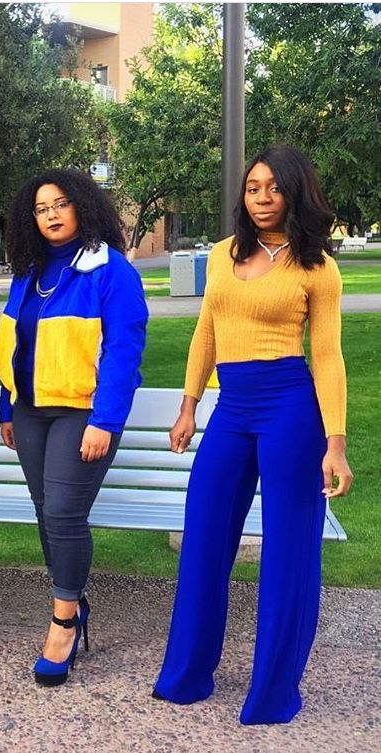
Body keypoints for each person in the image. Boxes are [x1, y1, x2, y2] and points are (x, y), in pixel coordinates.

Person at [152, 144, 353, 724]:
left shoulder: (316, 265)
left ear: (295, 191)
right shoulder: (222, 255)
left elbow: (329, 356)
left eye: (273, 187)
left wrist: (334, 442)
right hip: (231, 409)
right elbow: (206, 333)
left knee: (290, 550)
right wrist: (189, 405)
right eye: (252, 187)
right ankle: (188, 675)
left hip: (291, 407)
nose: (261, 198)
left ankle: (272, 692)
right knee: (205, 536)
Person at [0, 167, 148, 686]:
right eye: (40, 208)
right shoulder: (28, 273)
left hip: (83, 412)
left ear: (82, 205)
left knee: (63, 510)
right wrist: (7, 406)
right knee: (46, 511)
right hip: (32, 411)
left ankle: (63, 621)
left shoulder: (112, 270)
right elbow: (16, 345)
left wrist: (105, 420)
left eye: (60, 203)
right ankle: (71, 597)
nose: (51, 215)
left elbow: (124, 351)